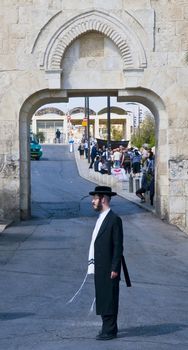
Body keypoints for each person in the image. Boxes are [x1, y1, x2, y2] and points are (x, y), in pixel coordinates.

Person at [88, 186, 124, 340]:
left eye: (95, 198)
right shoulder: (101, 218)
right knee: (103, 297)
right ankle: (106, 327)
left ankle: (110, 330)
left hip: (109, 266)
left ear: (103, 199)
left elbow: (118, 246)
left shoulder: (114, 219)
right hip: (100, 265)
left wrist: (115, 267)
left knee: (109, 298)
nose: (92, 201)